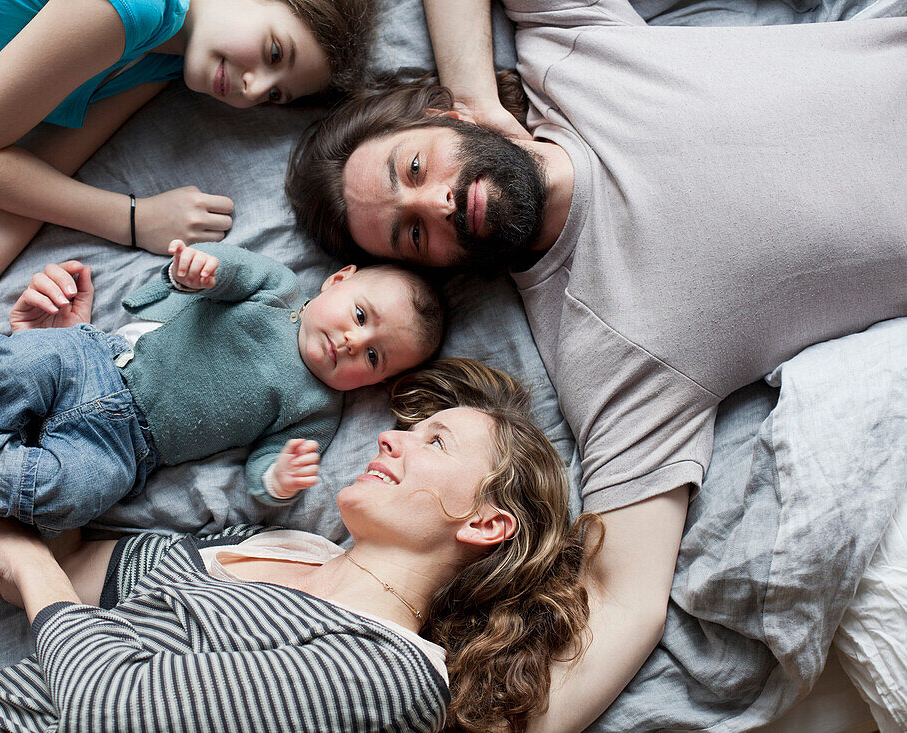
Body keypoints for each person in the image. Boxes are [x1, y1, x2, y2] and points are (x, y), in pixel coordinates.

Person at [284, 0, 907, 729]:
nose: (439, 200)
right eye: (413, 233)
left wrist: (477, 92)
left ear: (444, 118)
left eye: (415, 166)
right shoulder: (608, 353)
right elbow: (620, 600)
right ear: (435, 272)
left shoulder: (573, 53)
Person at [0, 358, 597, 733]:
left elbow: (108, 707)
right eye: (409, 426)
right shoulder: (277, 540)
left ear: (484, 523)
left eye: (434, 440)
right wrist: (66, 393)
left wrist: (31, 563)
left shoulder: (397, 676)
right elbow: (74, 588)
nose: (391, 436)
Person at [0, 0, 377, 401]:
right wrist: (132, 220)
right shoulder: (131, 8)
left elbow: (29, 181)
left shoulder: (157, 59)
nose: (252, 89)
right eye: (274, 51)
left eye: (275, 94)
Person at [0, 240, 442, 534]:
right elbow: (229, 270)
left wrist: (277, 479)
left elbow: (264, 468)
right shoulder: (277, 290)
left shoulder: (319, 409)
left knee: (77, 494)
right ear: (338, 280)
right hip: (102, 362)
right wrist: (200, 271)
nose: (351, 340)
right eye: (359, 314)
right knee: (30, 360)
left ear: (380, 381)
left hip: (128, 449)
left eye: (374, 355)